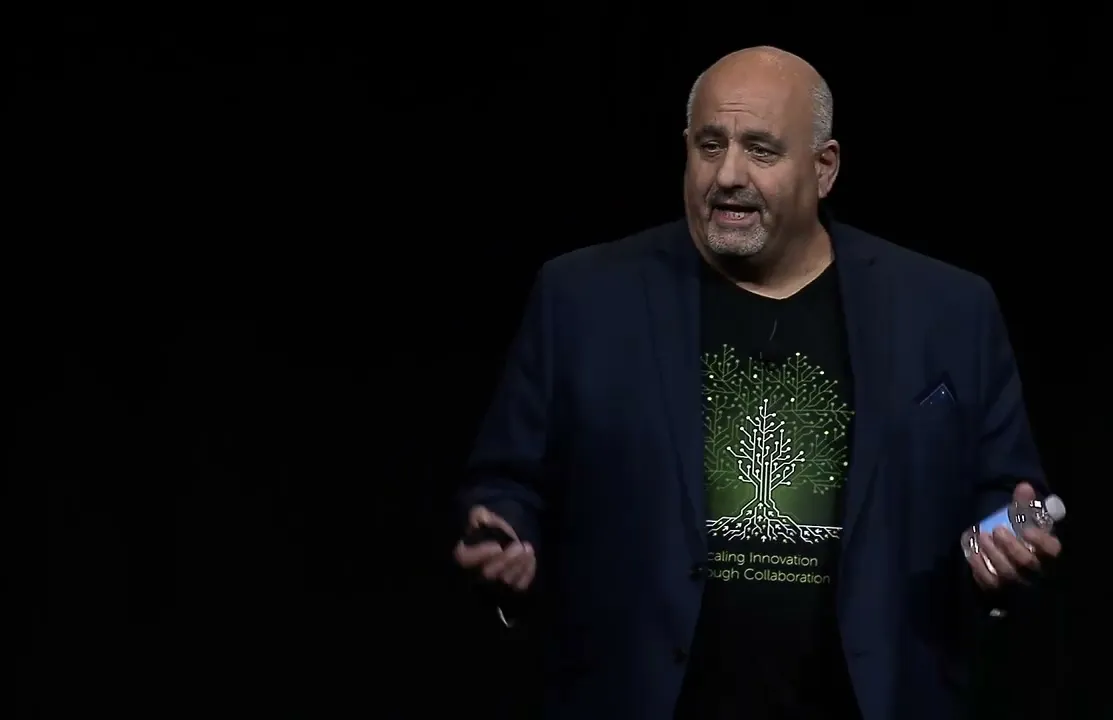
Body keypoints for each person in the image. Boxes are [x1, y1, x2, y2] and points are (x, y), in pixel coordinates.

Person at [453, 46, 1062, 720]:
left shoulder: (947, 309)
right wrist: (504, 533)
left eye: (761, 151)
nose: (727, 175)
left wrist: (1009, 539)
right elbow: (507, 481)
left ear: (824, 168)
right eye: (709, 145)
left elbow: (1009, 491)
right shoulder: (582, 298)